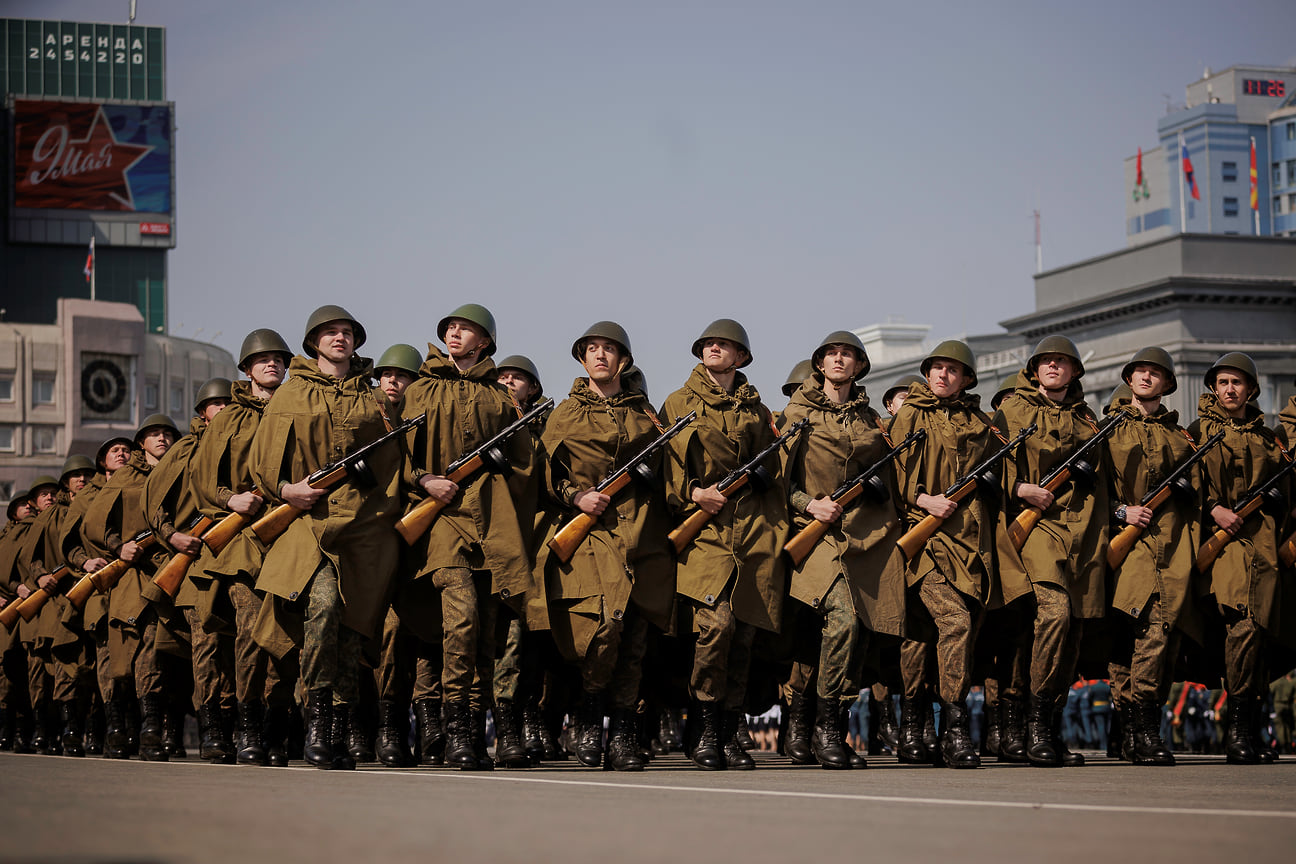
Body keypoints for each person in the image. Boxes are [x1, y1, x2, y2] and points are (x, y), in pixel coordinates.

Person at [250, 305, 403, 770]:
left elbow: (394, 465)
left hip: (363, 526)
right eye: (330, 332)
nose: (340, 338)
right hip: (308, 524)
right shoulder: (291, 393)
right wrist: (285, 491)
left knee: (354, 630)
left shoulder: (374, 397)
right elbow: (264, 461)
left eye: (347, 332)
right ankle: (316, 717)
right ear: (313, 341)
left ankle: (337, 730)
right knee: (323, 607)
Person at [400, 303, 538, 770]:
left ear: (485, 342)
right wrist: (423, 480)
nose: (455, 334)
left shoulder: (501, 400)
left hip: (491, 524)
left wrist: (507, 467)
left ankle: (474, 735)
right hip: (439, 521)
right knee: (460, 617)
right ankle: (455, 727)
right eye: (451, 328)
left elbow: (526, 468)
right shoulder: (419, 391)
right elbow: (396, 453)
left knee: (485, 634)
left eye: (466, 329)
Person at [535, 322, 674, 771]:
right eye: (591, 349)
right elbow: (544, 474)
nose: (600, 356)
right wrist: (576, 496)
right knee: (604, 629)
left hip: (641, 533)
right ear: (582, 359)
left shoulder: (646, 415)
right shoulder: (566, 413)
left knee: (634, 637)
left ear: (624, 360)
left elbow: (671, 474)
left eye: (609, 350)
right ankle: (590, 719)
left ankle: (624, 737)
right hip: (589, 532)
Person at [891, 340, 1029, 768]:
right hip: (925, 542)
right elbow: (892, 471)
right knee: (953, 623)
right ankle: (948, 729)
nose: (941, 375)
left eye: (952, 370)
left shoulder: (983, 422)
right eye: (936, 368)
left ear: (967, 379)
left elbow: (1004, 477)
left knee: (948, 638)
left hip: (972, 545)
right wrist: (921, 498)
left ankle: (929, 726)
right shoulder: (912, 414)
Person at [661, 319, 789, 770]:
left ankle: (728, 730)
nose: (715, 349)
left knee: (744, 635)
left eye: (725, 345)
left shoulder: (757, 410)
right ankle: (703, 726)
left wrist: (762, 475)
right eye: (709, 344)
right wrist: (694, 493)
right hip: (704, 532)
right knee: (714, 629)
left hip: (752, 531)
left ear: (741, 357)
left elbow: (775, 473)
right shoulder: (679, 402)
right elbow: (666, 464)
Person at [780, 330, 906, 769]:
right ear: (819, 364)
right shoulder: (797, 412)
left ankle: (815, 724)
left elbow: (890, 477)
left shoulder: (870, 419)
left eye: (848, 355)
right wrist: (807, 504)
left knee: (861, 629)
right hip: (812, 532)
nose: (839, 360)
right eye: (832, 354)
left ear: (860, 366)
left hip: (864, 535)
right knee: (842, 618)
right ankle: (821, 727)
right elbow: (781, 480)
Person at [994, 335, 1110, 767]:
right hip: (1036, 528)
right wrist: (1021, 488)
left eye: (1063, 362)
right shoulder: (1013, 411)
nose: (1054, 367)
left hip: (1082, 531)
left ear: (1076, 371)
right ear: (1034, 369)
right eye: (1046, 361)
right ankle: (1033, 725)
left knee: (1073, 629)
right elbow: (992, 466)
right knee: (1055, 613)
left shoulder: (1088, 418)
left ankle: (1049, 724)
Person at [187, 329, 294, 767]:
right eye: (263, 359)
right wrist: (229, 499)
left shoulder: (296, 408)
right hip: (242, 539)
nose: (272, 365)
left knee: (286, 636)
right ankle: (247, 727)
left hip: (289, 534)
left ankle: (274, 726)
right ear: (247, 369)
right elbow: (201, 478)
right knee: (250, 632)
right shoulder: (229, 419)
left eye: (279, 360)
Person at [1189, 352, 1292, 764]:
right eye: (1223, 382)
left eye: (1238, 383)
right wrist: (1214, 509)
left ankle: (1250, 728)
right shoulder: (1198, 431)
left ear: (1251, 390)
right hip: (1223, 544)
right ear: (1213, 388)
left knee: (1263, 631)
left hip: (1265, 545)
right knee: (1243, 625)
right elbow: (1181, 484)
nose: (1230, 389)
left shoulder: (1270, 437)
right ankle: (1236, 732)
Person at [1104, 347, 1201, 766]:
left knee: (1161, 633)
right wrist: (1123, 512)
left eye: (1155, 373)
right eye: (1140, 371)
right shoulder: (1107, 428)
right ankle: (1137, 729)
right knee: (1134, 633)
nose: (1146, 377)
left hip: (1172, 546)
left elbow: (1201, 492)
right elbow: (1093, 492)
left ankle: (1137, 728)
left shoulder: (1182, 438)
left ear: (1167, 384)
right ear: (1129, 378)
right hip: (1122, 546)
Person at [141, 377, 233, 762]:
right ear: (202, 413)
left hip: (241, 551)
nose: (225, 410)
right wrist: (172, 537)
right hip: (195, 557)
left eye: (229, 403)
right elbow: (154, 504)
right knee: (206, 640)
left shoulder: (246, 437)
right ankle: (212, 729)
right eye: (217, 405)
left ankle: (248, 727)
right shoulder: (185, 449)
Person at [79, 414, 182, 760]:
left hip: (177, 569)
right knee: (136, 648)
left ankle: (162, 728)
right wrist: (117, 546)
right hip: (135, 575)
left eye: (168, 434)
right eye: (154, 434)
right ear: (142, 442)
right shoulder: (126, 476)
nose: (162, 439)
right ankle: (137, 726)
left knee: (170, 650)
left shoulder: (183, 468)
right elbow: (93, 523)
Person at [16, 458, 97, 757]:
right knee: (62, 665)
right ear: (67, 482)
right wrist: (40, 575)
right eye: (76, 475)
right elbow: (29, 555)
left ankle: (93, 730)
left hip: (94, 594)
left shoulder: (96, 504)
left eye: (88, 474)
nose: (82, 479)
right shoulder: (52, 515)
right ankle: (67, 732)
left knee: (91, 669)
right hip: (58, 600)